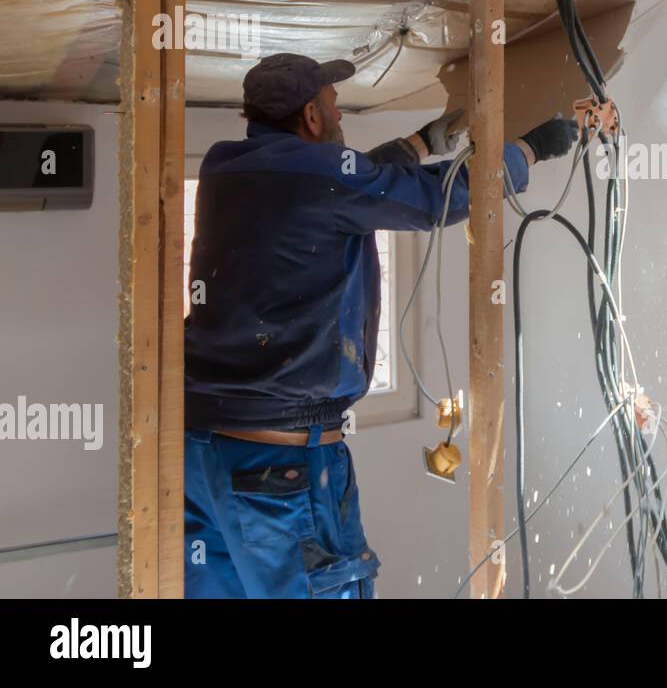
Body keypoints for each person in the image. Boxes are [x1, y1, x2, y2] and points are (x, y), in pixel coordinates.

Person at [183, 52, 578, 598]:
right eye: (334, 106)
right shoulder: (318, 179)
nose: (339, 116)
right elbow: (440, 197)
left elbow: (331, 184)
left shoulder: (224, 168)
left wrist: (420, 143)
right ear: (312, 117)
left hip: (203, 456)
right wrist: (533, 147)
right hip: (281, 469)